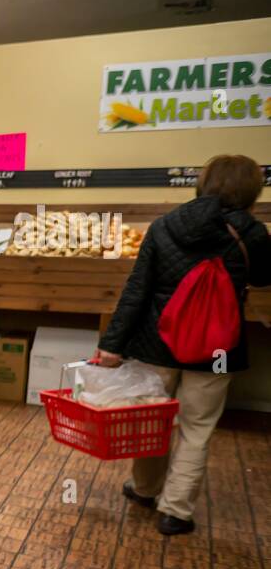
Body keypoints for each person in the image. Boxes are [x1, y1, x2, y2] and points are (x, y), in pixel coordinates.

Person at [97, 154, 270, 536]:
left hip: (156, 343)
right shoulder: (254, 234)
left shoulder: (163, 226)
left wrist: (112, 345)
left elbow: (136, 290)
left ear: (203, 183)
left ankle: (145, 489)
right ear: (251, 191)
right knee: (199, 426)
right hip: (219, 352)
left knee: (153, 420)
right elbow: (262, 278)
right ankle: (176, 511)